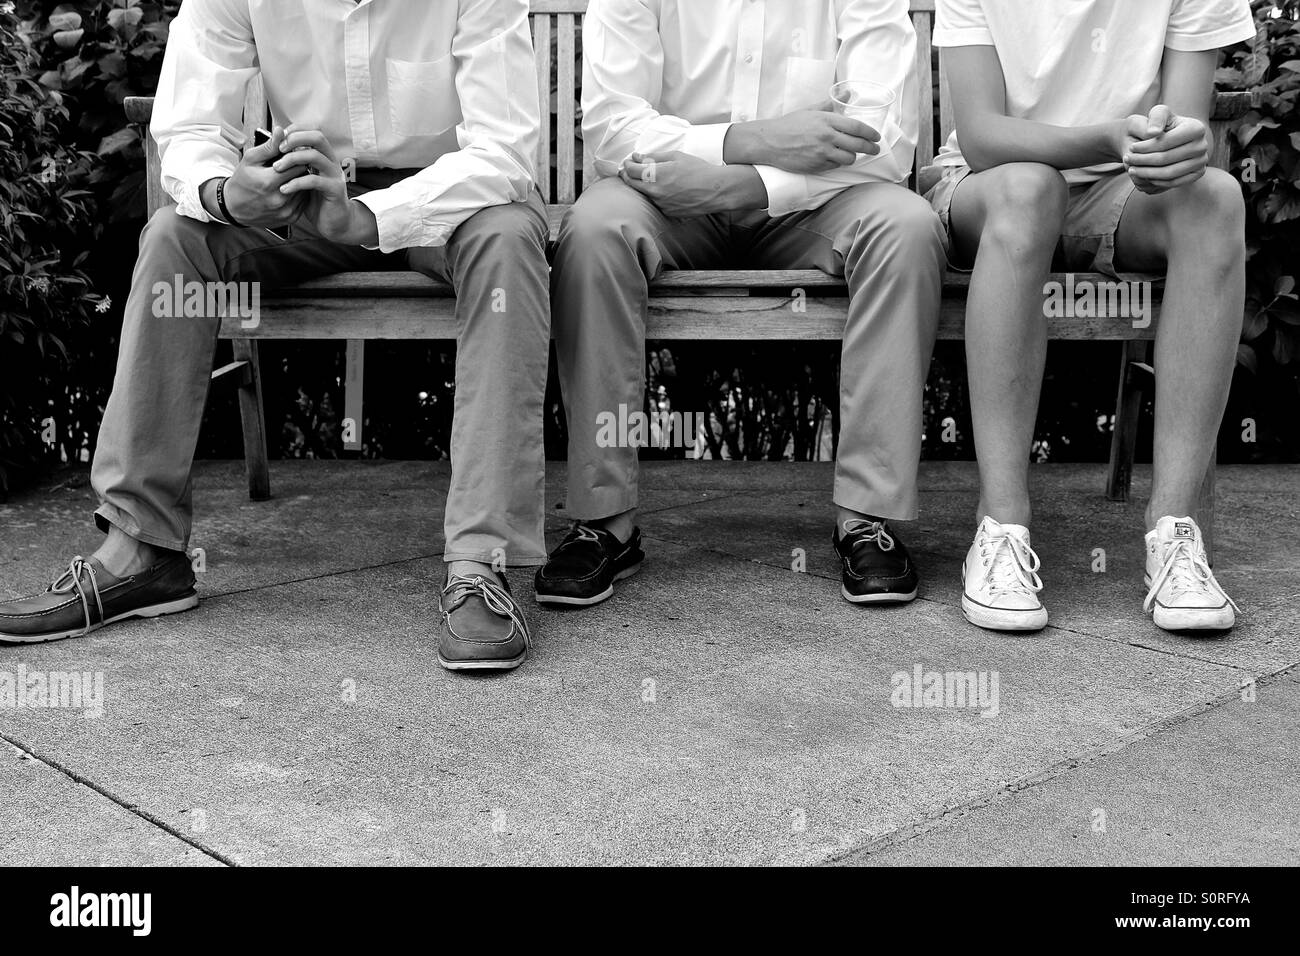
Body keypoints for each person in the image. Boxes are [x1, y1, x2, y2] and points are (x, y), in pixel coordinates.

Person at [0, 0, 551, 671]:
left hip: (451, 201)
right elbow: (191, 125)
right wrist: (229, 193)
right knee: (177, 239)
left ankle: (480, 565)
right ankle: (141, 550)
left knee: (511, 239)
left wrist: (368, 217)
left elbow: (504, 149)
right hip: (305, 199)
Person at [538, 0, 946, 610]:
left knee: (907, 228)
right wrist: (749, 140)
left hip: (813, 204)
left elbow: (884, 145)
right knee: (597, 230)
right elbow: (611, 129)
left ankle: (867, 518)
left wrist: (743, 183)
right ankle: (604, 521)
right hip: (667, 197)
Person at [927, 0, 1255, 633]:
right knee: (1030, 190)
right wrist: (1105, 135)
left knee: (1215, 199)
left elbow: (1180, 133)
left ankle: (1175, 537)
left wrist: (1174, 144)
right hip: (991, 182)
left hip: (1125, 187)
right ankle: (1000, 529)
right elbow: (982, 134)